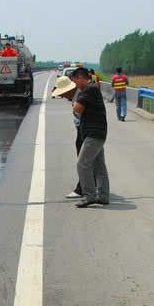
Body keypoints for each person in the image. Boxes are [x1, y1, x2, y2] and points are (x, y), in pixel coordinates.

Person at [53, 67, 108, 208]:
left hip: (93, 133)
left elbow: (77, 109)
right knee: (99, 165)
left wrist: (76, 103)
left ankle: (89, 196)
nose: (75, 83)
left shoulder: (88, 89)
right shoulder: (90, 90)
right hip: (97, 133)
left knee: (82, 164)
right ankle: (103, 196)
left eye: (75, 80)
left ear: (82, 78)